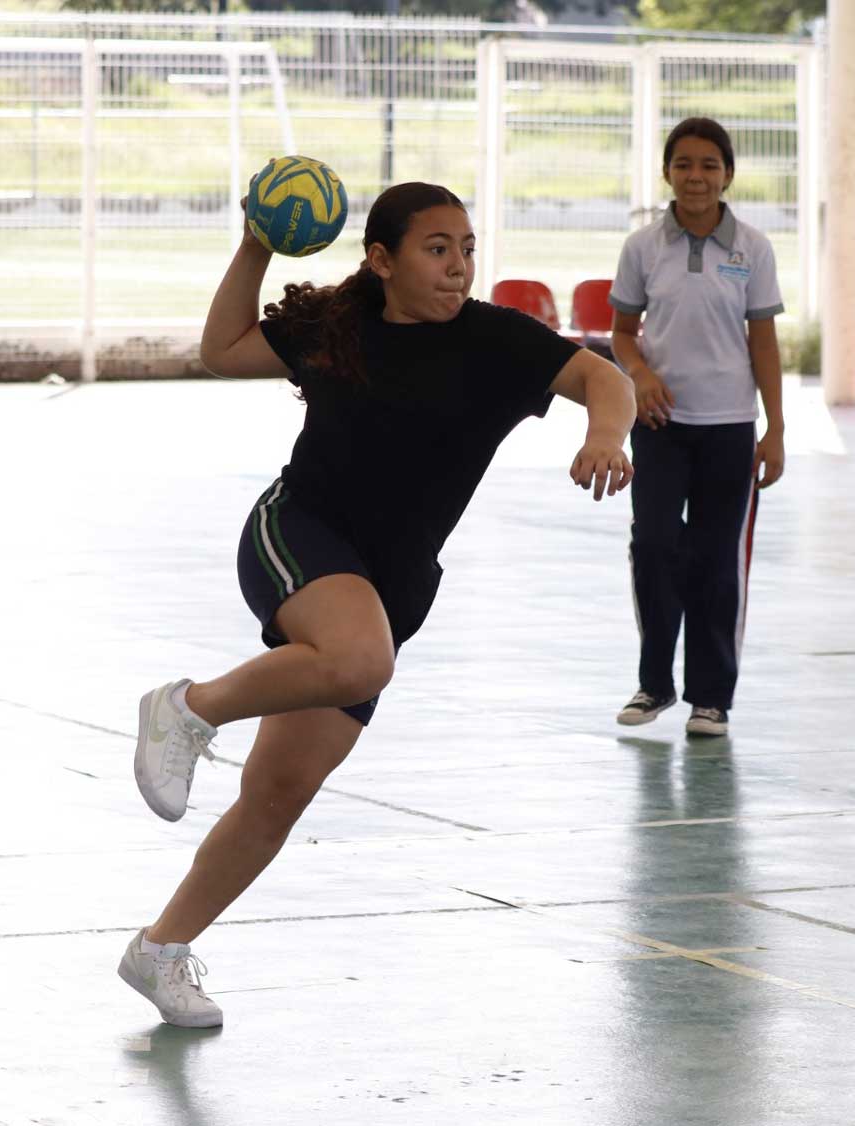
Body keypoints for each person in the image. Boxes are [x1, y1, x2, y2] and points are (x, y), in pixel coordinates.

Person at [117, 180, 637, 1028]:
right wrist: (255, 244)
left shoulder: (497, 342)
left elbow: (601, 376)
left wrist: (605, 433)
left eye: (467, 248)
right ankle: (186, 708)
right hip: (297, 535)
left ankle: (160, 951)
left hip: (389, 591)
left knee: (280, 790)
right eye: (438, 249)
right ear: (383, 260)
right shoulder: (337, 328)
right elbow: (224, 349)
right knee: (360, 658)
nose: (459, 266)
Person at [608, 117, 785, 739]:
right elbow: (622, 334)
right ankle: (655, 683)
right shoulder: (642, 247)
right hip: (659, 425)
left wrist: (775, 430)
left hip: (730, 427)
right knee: (654, 546)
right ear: (667, 172)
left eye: (710, 165)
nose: (696, 176)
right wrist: (639, 376)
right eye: (684, 164)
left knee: (716, 560)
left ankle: (711, 699)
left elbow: (763, 343)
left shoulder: (752, 249)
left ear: (728, 174)